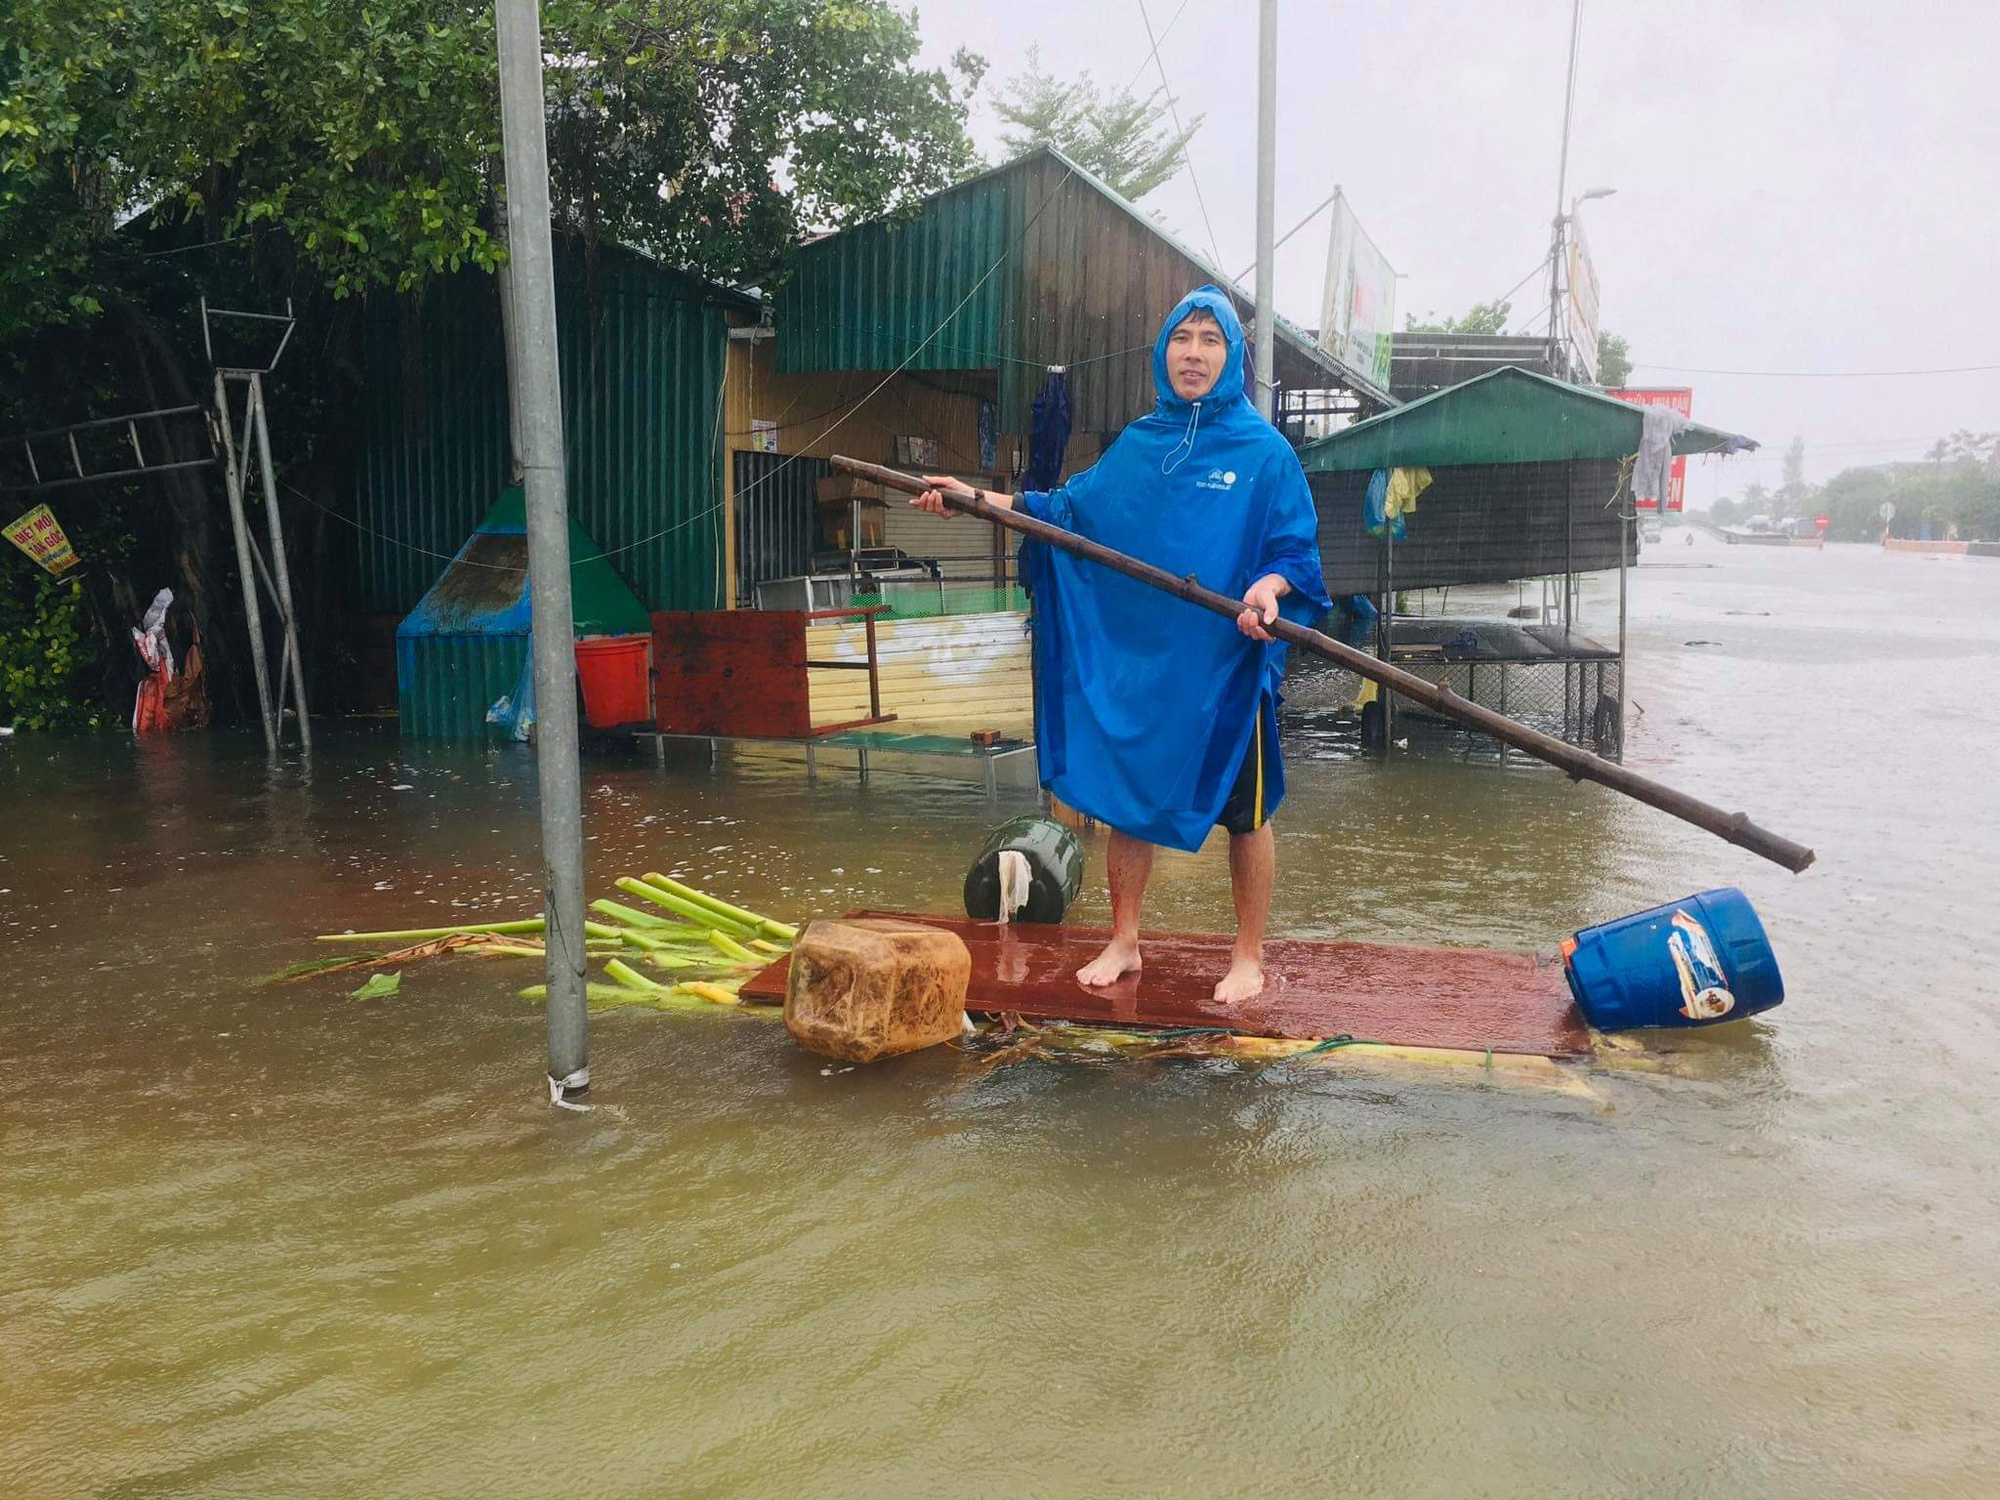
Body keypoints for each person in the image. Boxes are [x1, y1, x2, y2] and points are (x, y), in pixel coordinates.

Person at [914, 285, 1329, 1002]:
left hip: (1227, 670)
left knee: (1247, 815)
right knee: (1128, 799)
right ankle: (1125, 939)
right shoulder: (1139, 444)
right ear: (1162, 350)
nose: (1192, 353)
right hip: (1149, 668)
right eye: (1181, 338)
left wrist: (1268, 589)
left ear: (1231, 356)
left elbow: (1295, 555)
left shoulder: (1265, 455)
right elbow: (1062, 514)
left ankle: (1248, 955)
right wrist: (972, 498)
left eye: (1209, 339)